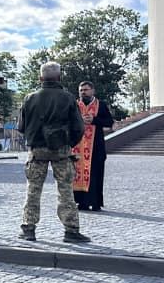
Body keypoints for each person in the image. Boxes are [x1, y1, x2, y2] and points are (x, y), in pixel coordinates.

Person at [18, 62, 89, 243]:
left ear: (40, 78)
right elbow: (79, 127)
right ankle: (71, 230)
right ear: (59, 77)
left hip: (37, 151)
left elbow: (21, 126)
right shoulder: (68, 98)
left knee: (33, 191)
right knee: (65, 191)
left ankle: (28, 229)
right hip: (61, 151)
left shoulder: (29, 98)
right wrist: (68, 143)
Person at [72, 81, 113, 212]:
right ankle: (82, 202)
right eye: (81, 90)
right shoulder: (74, 105)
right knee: (77, 174)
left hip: (96, 147)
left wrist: (94, 120)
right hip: (78, 147)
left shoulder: (101, 105)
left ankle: (95, 203)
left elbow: (109, 122)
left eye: (86, 89)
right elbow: (68, 121)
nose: (83, 92)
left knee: (96, 174)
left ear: (92, 91)